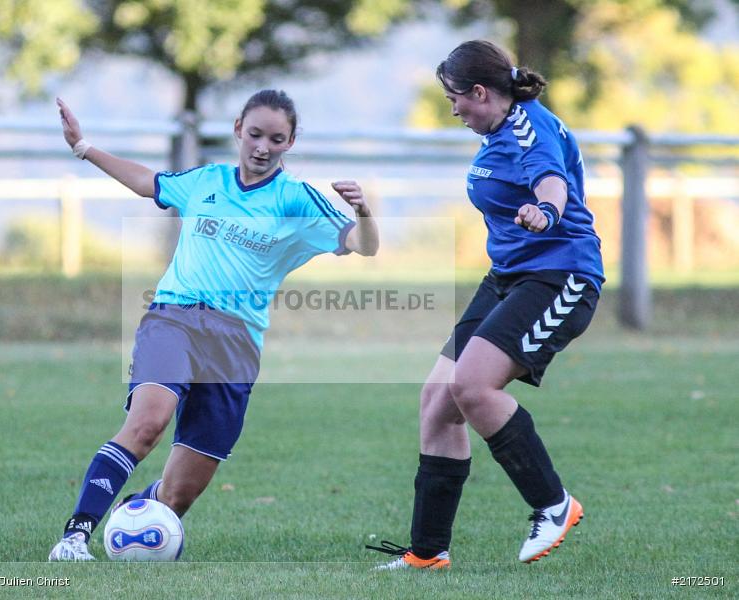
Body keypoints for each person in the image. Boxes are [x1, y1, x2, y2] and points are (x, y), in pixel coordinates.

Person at [48, 89, 379, 561]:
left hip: (236, 343)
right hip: (175, 318)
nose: (263, 146)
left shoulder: (298, 200)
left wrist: (364, 212)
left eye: (277, 138)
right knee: (147, 424)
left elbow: (363, 246)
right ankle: (75, 536)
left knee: (179, 495)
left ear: (290, 142)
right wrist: (84, 148)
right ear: (238, 129)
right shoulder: (206, 180)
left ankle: (137, 516)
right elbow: (149, 182)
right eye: (256, 134)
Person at [370, 40, 604, 570]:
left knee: (472, 387)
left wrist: (546, 209)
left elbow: (550, 178)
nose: (453, 110)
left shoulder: (527, 126)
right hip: (507, 278)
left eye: (455, 98)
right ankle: (426, 554)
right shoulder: (496, 129)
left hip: (560, 275)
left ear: (480, 92)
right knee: (437, 399)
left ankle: (553, 504)